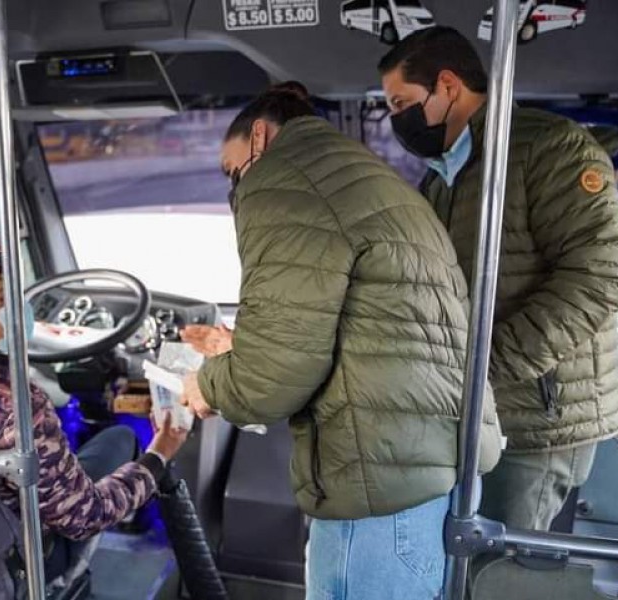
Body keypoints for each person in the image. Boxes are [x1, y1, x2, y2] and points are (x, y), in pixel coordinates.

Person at [178, 83, 503, 600]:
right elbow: (368, 328)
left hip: (378, 489)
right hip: (434, 471)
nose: (235, 184)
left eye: (232, 168)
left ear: (259, 136)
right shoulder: (372, 179)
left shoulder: (282, 180)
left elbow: (272, 380)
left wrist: (209, 385)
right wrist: (242, 348)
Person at [378, 26, 618, 531]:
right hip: (482, 411)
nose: (396, 119)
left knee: (505, 573)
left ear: (447, 86)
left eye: (401, 102)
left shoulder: (548, 150)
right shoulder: (447, 176)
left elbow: (599, 279)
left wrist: (488, 367)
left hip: (538, 419)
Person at [0, 238, 188, 580]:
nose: (16, 310)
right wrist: (159, 454)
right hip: (26, 559)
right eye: (2, 302)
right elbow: (85, 517)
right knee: (122, 436)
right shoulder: (14, 409)